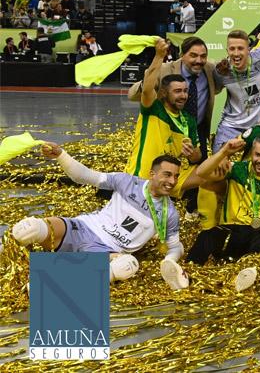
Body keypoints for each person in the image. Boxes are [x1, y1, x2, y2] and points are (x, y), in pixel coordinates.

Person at [12, 143, 189, 290]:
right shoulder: (126, 182)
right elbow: (84, 176)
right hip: (82, 228)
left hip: (107, 252)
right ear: (152, 174)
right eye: (167, 174)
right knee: (28, 229)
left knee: (127, 265)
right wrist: (61, 154)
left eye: (176, 176)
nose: (172, 181)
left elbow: (176, 247)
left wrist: (169, 262)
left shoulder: (170, 213)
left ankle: (50, 284)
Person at [187, 134, 260, 292]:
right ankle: (186, 273)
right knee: (207, 236)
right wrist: (224, 153)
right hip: (231, 229)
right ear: (252, 153)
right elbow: (201, 173)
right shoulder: (236, 170)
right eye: (258, 155)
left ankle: (247, 276)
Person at [125, 39, 205, 200]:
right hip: (141, 179)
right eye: (177, 91)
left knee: (215, 175)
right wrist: (159, 55)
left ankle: (206, 217)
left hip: (169, 180)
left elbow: (197, 157)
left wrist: (192, 154)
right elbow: (147, 87)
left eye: (185, 91)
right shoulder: (153, 108)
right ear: (163, 93)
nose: (183, 96)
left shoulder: (188, 120)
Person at [128, 36, 218, 163]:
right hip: (167, 131)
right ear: (182, 55)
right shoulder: (164, 69)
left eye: (203, 56)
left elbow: (233, 65)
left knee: (198, 168)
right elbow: (132, 94)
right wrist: (147, 85)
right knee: (166, 172)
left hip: (196, 130)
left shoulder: (210, 69)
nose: (199, 60)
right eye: (193, 55)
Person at [212, 30, 260, 152]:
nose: (236, 53)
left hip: (259, 126)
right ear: (227, 51)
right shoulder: (221, 72)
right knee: (217, 164)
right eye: (232, 49)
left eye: (240, 48)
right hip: (231, 127)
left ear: (248, 49)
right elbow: (215, 90)